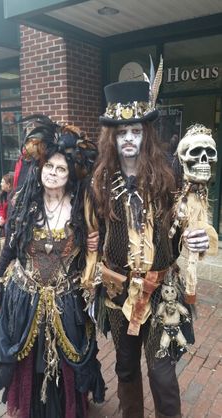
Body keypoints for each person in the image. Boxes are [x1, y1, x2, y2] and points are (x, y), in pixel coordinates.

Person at [82, 73, 215, 418]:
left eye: (136, 131)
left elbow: (191, 217)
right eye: (122, 132)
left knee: (161, 372)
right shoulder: (98, 178)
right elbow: (89, 227)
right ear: (113, 137)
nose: (129, 138)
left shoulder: (169, 172)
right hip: (116, 293)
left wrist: (200, 237)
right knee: (125, 369)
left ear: (146, 134)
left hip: (160, 291)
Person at [0, 117, 105, 418]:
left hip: (67, 300)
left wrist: (95, 246)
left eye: (61, 169)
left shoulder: (82, 206)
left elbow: (92, 252)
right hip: (25, 297)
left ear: (70, 174)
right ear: (40, 167)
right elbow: (11, 247)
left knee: (66, 362)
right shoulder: (23, 202)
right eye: (49, 167)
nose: (53, 173)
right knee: (30, 363)